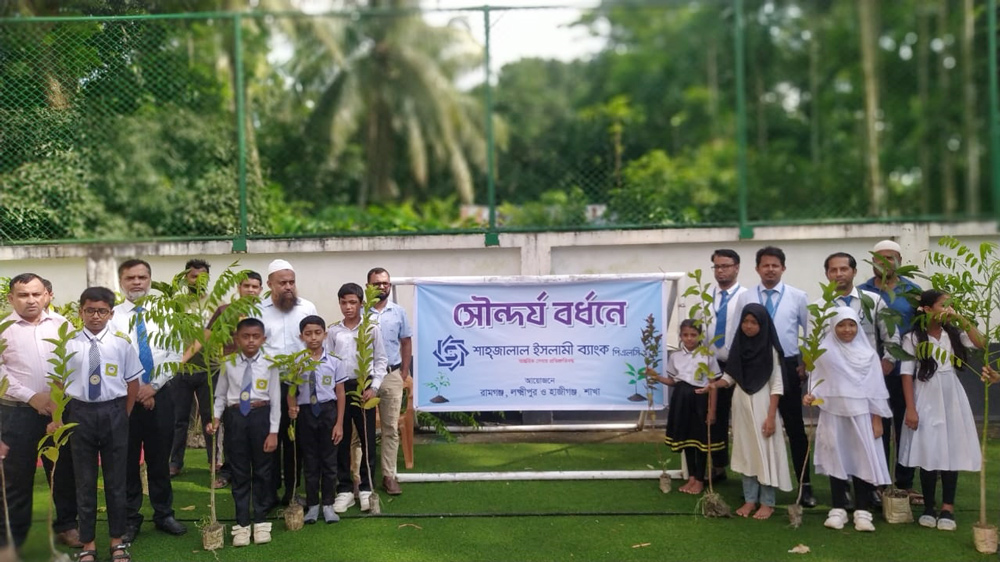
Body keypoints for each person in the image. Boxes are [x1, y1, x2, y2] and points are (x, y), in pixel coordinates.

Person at [0, 273, 81, 549]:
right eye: (23, 295)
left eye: (36, 294)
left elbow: (73, 362)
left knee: (62, 471)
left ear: (47, 295)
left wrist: (57, 399)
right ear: (11, 298)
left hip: (59, 412)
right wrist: (32, 396)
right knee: (16, 476)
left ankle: (67, 525)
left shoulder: (63, 325)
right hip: (16, 412)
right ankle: (14, 537)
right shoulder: (3, 328)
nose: (31, 300)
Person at [111, 259, 187, 542]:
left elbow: (174, 354)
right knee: (128, 460)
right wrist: (136, 391)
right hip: (123, 399)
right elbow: (111, 358)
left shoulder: (167, 313)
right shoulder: (112, 316)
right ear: (121, 282)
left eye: (142, 277)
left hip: (161, 395)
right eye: (130, 278)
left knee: (159, 458)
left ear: (150, 280)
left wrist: (152, 387)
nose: (137, 283)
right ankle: (131, 518)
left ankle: (164, 513)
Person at [64, 287, 142, 562]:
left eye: (101, 311)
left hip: (114, 411)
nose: (95, 316)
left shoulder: (121, 344)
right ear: (81, 312)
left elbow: (133, 383)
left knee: (116, 481)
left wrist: (124, 414)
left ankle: (117, 541)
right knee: (84, 481)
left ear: (110, 313)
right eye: (89, 310)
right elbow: (57, 383)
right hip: (80, 413)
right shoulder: (69, 344)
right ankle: (88, 543)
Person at [816, 251, 899, 509]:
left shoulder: (872, 301)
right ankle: (842, 496)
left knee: (872, 437)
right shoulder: (820, 306)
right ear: (827, 274)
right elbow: (815, 348)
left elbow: (891, 336)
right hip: (836, 387)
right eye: (833, 270)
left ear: (853, 272)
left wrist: (883, 365)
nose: (839, 274)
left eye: (844, 269)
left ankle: (872, 487)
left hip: (867, 381)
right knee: (837, 440)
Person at [733, 246, 814, 506]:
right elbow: (737, 331)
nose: (770, 269)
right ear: (757, 268)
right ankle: (754, 486)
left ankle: (805, 485)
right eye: (765, 265)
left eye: (775, 265)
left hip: (788, 366)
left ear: (783, 268)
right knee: (755, 428)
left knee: (795, 428)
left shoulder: (798, 296)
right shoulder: (746, 297)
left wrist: (805, 364)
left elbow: (809, 333)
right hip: (754, 367)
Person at [898, 290, 984, 531]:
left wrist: (962, 320)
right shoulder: (913, 338)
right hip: (925, 395)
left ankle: (948, 507)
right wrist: (911, 409)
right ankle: (928, 506)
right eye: (943, 305)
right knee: (929, 450)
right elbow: (906, 375)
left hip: (951, 396)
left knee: (951, 449)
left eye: (951, 305)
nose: (948, 309)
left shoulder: (954, 334)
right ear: (926, 309)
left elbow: (981, 343)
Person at [803, 307, 891, 532]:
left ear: (858, 327)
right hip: (833, 413)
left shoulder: (869, 354)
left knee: (862, 458)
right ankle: (838, 508)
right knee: (836, 458)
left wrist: (877, 418)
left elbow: (876, 389)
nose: (846, 330)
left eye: (851, 325)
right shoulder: (824, 351)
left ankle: (862, 511)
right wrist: (812, 397)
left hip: (862, 414)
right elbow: (817, 381)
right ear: (833, 326)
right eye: (841, 325)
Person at [702, 304, 792, 519]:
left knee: (765, 452)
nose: (748, 326)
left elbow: (777, 386)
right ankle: (750, 499)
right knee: (746, 452)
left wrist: (771, 418)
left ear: (763, 325)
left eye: (754, 322)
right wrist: (715, 385)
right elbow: (730, 376)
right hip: (741, 405)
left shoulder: (770, 350)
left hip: (763, 407)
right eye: (745, 322)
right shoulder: (739, 347)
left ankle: (767, 503)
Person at [857, 239, 923, 504]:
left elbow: (920, 327)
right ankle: (880, 481)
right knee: (877, 427)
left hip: (905, 370)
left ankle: (905, 482)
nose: (884, 263)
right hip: (871, 371)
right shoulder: (861, 292)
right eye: (878, 258)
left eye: (890, 258)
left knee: (905, 425)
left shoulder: (912, 292)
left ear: (899, 261)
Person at [206, 318, 280, 547]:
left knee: (262, 470)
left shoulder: (270, 363)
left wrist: (274, 432)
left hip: (261, 415)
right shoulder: (228, 363)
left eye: (255, 336)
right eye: (245, 336)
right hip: (236, 417)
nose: (250, 341)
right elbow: (220, 394)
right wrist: (216, 419)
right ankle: (242, 523)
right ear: (237, 339)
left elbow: (276, 399)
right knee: (239, 471)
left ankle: (260, 521)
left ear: (263, 339)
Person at [254, 259, 317, 506]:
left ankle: (292, 492)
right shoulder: (257, 310)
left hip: (300, 385)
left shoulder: (307, 308)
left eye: (292, 282)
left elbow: (315, 342)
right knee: (270, 439)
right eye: (282, 283)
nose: (288, 287)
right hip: (268, 386)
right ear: (270, 284)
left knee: (294, 440)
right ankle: (268, 494)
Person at [327, 283, 387, 513]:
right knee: (340, 439)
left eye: (353, 302)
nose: (348, 307)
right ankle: (344, 488)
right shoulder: (334, 331)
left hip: (364, 388)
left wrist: (374, 387)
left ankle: (365, 487)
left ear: (361, 303)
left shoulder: (371, 329)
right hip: (340, 389)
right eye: (344, 302)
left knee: (367, 438)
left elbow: (381, 360)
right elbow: (330, 360)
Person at [646, 319, 723, 495]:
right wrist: (656, 376)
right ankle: (692, 478)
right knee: (687, 440)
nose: (689, 339)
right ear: (680, 336)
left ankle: (700, 479)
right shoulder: (675, 356)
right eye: (685, 335)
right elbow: (673, 381)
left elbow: (713, 385)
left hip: (700, 400)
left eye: (693, 335)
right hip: (681, 400)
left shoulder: (708, 356)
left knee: (701, 442)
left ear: (700, 336)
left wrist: (712, 410)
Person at [288, 315, 346, 524]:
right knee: (310, 461)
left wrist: (339, 423)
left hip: (328, 412)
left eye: (317, 333)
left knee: (329, 461)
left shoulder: (335, 362)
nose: (313, 338)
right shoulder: (297, 362)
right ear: (301, 336)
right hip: (305, 414)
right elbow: (291, 391)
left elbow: (340, 393)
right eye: (308, 334)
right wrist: (291, 407)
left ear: (325, 334)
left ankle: (328, 505)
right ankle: (313, 505)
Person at [367, 267, 412, 495]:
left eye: (385, 283)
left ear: (390, 286)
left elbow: (406, 342)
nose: (381, 286)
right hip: (365, 378)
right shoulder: (361, 312)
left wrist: (403, 372)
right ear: (368, 286)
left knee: (390, 427)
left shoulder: (398, 312)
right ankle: (358, 479)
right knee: (359, 431)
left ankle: (388, 475)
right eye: (377, 283)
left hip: (392, 374)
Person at [705, 249, 747, 481]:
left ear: (737, 267)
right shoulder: (706, 296)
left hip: (738, 366)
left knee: (741, 416)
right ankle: (718, 466)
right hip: (712, 365)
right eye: (717, 266)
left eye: (726, 266)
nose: (721, 270)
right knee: (715, 416)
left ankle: (745, 468)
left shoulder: (746, 296)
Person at [169, 259, 212, 479]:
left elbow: (208, 335)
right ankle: (175, 462)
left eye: (203, 276)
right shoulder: (177, 304)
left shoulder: (215, 303)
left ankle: (214, 462)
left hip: (208, 370)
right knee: (179, 419)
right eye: (194, 276)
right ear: (187, 278)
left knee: (210, 419)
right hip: (180, 372)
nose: (198, 280)